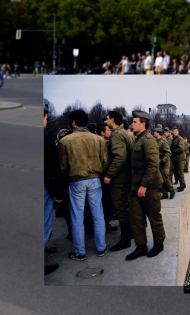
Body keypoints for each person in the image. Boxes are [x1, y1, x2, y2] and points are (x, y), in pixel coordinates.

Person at [57, 109, 108, 261]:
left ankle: (80, 252)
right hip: (95, 179)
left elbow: (63, 166)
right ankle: (101, 247)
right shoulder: (98, 140)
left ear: (73, 122)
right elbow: (105, 161)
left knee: (77, 217)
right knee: (98, 215)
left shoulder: (65, 141)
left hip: (76, 181)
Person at [126, 111, 165, 260]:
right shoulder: (138, 139)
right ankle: (141, 246)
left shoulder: (148, 140)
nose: (132, 124)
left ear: (143, 124)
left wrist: (144, 185)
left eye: (135, 122)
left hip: (149, 186)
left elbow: (153, 165)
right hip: (136, 184)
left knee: (154, 216)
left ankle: (159, 244)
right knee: (136, 217)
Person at [103, 110, 135, 252]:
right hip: (127, 176)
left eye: (108, 118)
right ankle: (131, 233)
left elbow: (120, 157)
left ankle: (125, 239)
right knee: (127, 206)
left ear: (113, 120)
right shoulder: (126, 133)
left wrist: (109, 174)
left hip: (120, 178)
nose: (106, 120)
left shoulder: (116, 135)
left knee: (120, 208)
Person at [44, 109, 63, 275]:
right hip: (45, 186)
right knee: (44, 222)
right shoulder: (45, 138)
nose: (47, 121)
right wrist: (57, 192)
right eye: (46, 118)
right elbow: (52, 167)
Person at [153, 125, 174, 200]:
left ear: (158, 133)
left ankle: (171, 190)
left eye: (155, 132)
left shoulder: (163, 141)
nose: (154, 133)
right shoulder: (155, 141)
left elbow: (168, 152)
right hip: (158, 162)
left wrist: (163, 161)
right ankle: (164, 193)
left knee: (165, 176)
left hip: (165, 162)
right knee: (159, 178)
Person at [170, 126, 186, 191]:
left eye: (176, 131)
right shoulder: (173, 139)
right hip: (176, 159)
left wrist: (173, 151)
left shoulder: (180, 139)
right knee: (176, 173)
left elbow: (181, 148)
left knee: (180, 172)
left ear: (178, 132)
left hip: (180, 158)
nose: (174, 132)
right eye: (173, 131)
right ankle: (182, 184)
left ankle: (182, 185)